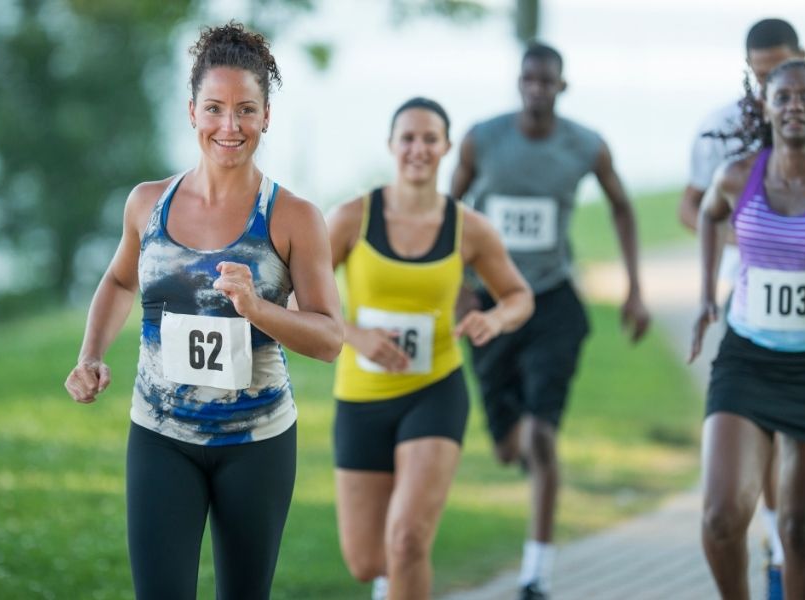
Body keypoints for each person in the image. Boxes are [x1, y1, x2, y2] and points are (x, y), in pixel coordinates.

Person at [63, 22, 343, 600]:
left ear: (267, 116)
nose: (229, 126)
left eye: (245, 110)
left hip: (257, 444)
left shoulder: (293, 218)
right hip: (160, 435)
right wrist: (90, 355)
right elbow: (119, 281)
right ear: (191, 111)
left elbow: (328, 339)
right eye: (214, 108)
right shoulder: (148, 203)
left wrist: (256, 308)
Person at [450, 42, 650, 600]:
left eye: (548, 81)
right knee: (509, 448)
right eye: (529, 80)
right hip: (490, 302)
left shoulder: (585, 145)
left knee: (541, 436)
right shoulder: (482, 139)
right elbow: (447, 211)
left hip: (552, 300)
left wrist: (635, 288)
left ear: (562, 87)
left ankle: (536, 572)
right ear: (519, 83)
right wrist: (457, 283)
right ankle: (529, 453)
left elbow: (622, 206)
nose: (537, 89)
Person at [327, 97, 534, 600]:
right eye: (408, 138)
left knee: (408, 539)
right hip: (361, 397)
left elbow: (519, 296)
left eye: (430, 139)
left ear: (446, 148)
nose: (418, 149)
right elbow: (296, 297)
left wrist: (494, 317)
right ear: (391, 145)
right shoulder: (352, 218)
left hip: (434, 391)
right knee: (367, 560)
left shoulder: (470, 229)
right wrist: (356, 335)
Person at [679, 19, 805, 597]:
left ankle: (783, 566)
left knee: (803, 522)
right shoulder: (729, 153)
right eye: (775, 90)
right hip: (749, 336)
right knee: (723, 510)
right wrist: (711, 287)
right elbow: (702, 209)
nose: (791, 103)